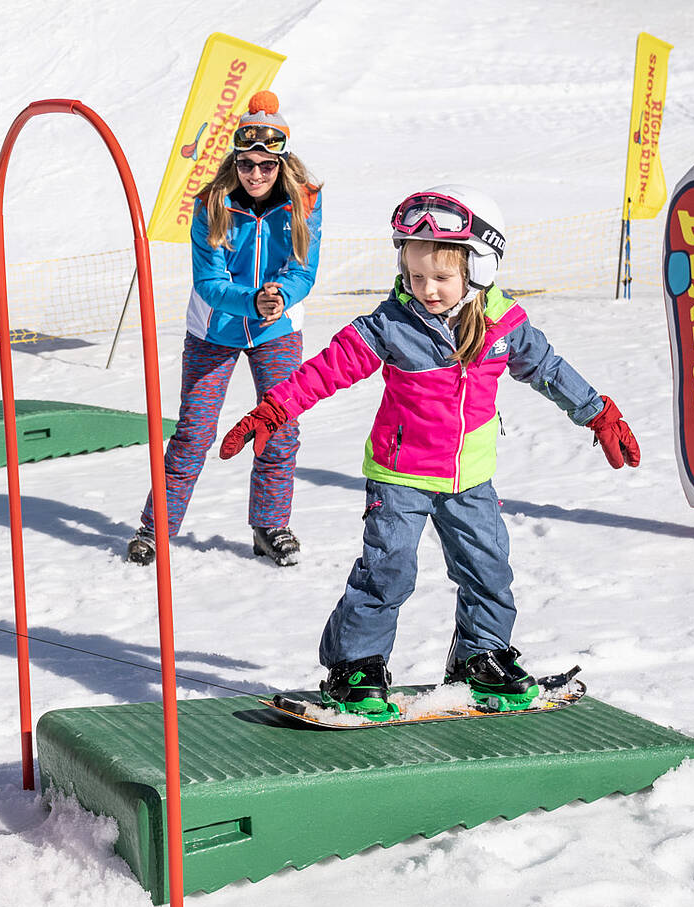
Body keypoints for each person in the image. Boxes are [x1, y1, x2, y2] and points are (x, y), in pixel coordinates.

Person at [219, 185, 640, 720]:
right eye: (416, 277)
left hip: (471, 477)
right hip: (399, 475)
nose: (427, 289)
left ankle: (480, 657)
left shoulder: (504, 324)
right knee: (388, 570)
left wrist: (597, 412)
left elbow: (549, 370)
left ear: (479, 267)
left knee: (487, 569)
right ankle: (356, 666)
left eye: (440, 277)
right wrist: (275, 408)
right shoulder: (391, 324)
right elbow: (328, 367)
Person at [126, 91, 323, 568]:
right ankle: (156, 528)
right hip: (215, 329)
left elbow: (304, 268)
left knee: (280, 425)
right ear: (234, 160)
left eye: (267, 165)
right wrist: (252, 300)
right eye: (247, 164)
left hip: (277, 330)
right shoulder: (212, 204)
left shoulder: (305, 203)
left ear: (282, 163)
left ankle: (270, 523)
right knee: (195, 431)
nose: (256, 174)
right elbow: (209, 282)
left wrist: (281, 297)